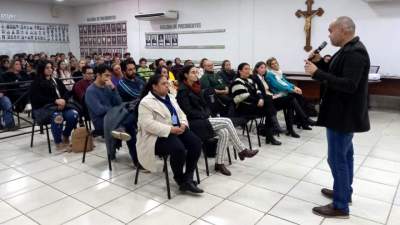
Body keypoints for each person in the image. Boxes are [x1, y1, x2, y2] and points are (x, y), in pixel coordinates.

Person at [304, 16, 370, 218]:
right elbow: (337, 76)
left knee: (336, 158)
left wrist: (317, 73)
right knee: (345, 155)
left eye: (331, 30)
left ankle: (340, 206)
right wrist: (321, 65)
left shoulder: (355, 53)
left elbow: (349, 85)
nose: (328, 34)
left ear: (343, 30)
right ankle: (344, 191)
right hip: (341, 113)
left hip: (343, 115)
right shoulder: (346, 50)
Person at [176, 65, 259, 176]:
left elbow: (205, 106)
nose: (196, 74)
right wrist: (205, 116)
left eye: (196, 72)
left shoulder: (196, 87)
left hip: (203, 119)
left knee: (224, 132)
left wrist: (207, 114)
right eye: (193, 72)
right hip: (192, 123)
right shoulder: (182, 91)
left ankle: (219, 163)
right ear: (186, 75)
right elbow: (188, 112)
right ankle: (242, 150)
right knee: (227, 121)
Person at [136, 74, 203, 193]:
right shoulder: (146, 102)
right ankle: (179, 178)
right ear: (154, 87)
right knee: (179, 149)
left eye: (167, 83)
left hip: (176, 129)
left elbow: (181, 113)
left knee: (196, 143)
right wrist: (171, 129)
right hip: (156, 136)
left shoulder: (171, 97)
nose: (167, 86)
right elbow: (147, 124)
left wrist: (183, 124)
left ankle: (188, 177)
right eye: (163, 84)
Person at [85, 64, 138, 164]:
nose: (108, 78)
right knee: (130, 126)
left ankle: (121, 127)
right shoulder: (91, 91)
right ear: (98, 75)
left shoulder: (109, 86)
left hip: (114, 116)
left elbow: (119, 102)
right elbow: (99, 110)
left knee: (130, 118)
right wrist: (114, 109)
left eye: (110, 76)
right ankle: (136, 161)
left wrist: (114, 89)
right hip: (101, 121)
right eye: (106, 75)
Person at [30, 61, 79, 150]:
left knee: (74, 114)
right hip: (44, 109)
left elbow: (66, 93)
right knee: (58, 116)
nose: (50, 69)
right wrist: (55, 101)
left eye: (51, 67)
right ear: (42, 69)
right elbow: (37, 99)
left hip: (61, 107)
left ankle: (65, 135)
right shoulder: (36, 83)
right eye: (47, 68)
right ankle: (58, 142)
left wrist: (63, 100)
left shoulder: (56, 80)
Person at [231, 63, 281, 145]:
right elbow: (244, 97)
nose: (248, 71)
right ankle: (270, 135)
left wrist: (261, 98)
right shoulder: (236, 82)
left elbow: (258, 91)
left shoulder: (250, 80)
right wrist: (258, 100)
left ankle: (269, 135)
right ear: (240, 71)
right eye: (246, 69)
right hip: (244, 108)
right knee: (269, 107)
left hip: (253, 105)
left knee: (269, 104)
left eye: (249, 69)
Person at [252, 61, 300, 138]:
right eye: (261, 68)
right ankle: (291, 128)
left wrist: (275, 95)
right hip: (267, 101)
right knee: (291, 98)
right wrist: (272, 96)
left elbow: (273, 88)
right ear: (256, 69)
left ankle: (291, 129)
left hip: (272, 98)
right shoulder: (255, 78)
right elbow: (258, 92)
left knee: (290, 101)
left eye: (264, 68)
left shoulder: (263, 77)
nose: (264, 69)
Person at [266, 57, 315, 129]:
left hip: (285, 92)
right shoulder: (270, 74)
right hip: (278, 94)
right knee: (294, 98)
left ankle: (303, 122)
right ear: (270, 66)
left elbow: (285, 82)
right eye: (272, 64)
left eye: (275, 63)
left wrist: (294, 87)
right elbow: (278, 86)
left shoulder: (279, 72)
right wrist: (292, 90)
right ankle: (305, 119)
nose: (275, 65)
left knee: (300, 97)